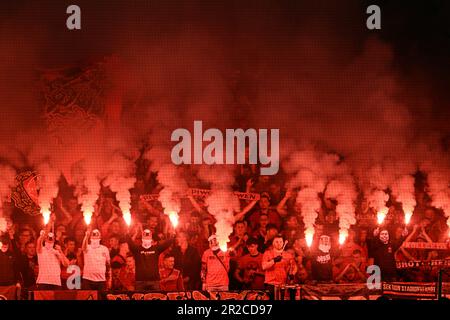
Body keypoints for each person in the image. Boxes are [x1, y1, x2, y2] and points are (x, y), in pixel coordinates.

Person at [0, 235, 21, 299]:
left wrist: (17, 281)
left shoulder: (12, 254)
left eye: (6, 245)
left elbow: (16, 269)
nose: (4, 246)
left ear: (8, 245)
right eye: (3, 244)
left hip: (10, 285)